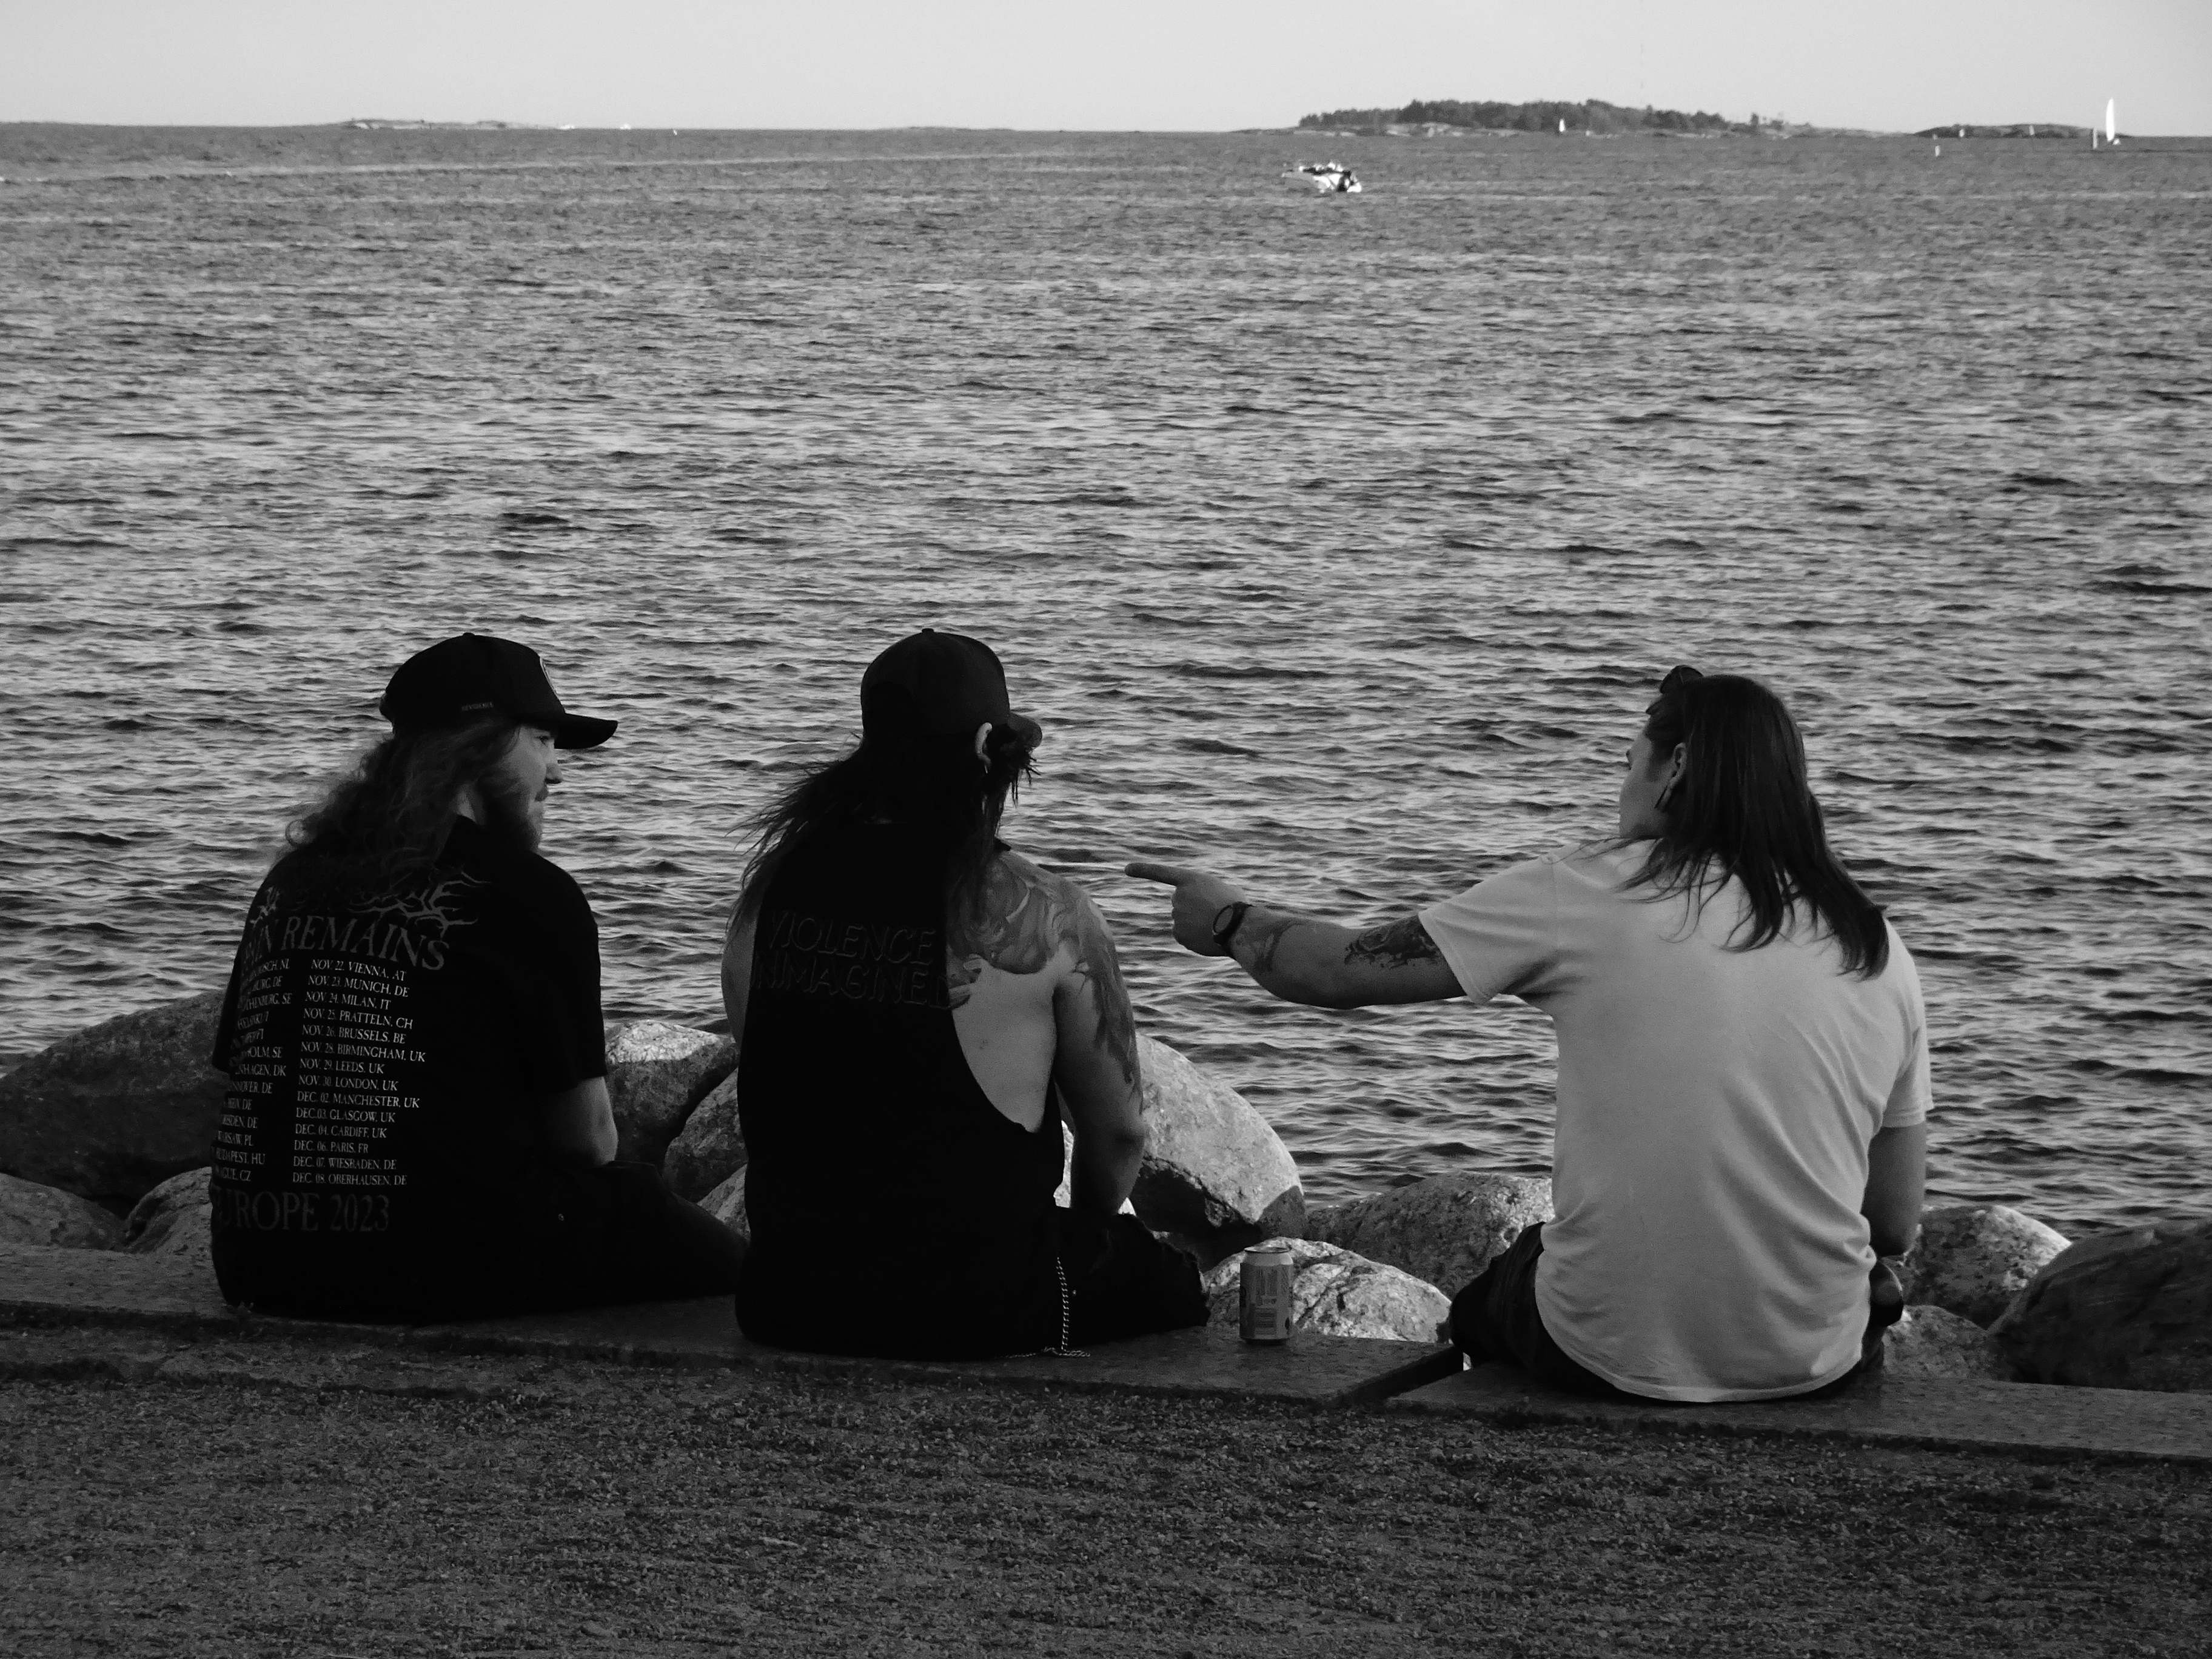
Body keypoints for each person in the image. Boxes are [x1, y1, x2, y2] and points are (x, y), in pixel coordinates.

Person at [1131, 667, 1928, 1403]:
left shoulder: (1588, 891)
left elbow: (1334, 972)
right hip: (1815, 1361)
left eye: (1629, 763)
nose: (1622, 789)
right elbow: (1892, 1221)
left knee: (1497, 1294)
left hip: (1610, 1353)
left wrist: (1228, 920)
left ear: (1677, 768)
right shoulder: (1875, 944)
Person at [207, 632, 744, 1321]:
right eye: (543, 740)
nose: (556, 773)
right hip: (439, 1264)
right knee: (707, 1250)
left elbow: (240, 1079)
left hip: (259, 1260)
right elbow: (587, 1142)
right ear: (481, 745)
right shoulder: (530, 894)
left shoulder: (291, 882)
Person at [722, 628, 1205, 1359]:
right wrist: (1091, 1235)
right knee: (1171, 1280)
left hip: (787, 1298)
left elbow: (771, 1070)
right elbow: (1119, 1133)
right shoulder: (1048, 912)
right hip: (972, 1312)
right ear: (987, 747)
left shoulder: (771, 891)